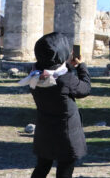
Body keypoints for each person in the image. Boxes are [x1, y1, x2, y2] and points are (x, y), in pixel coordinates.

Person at [21, 32, 91, 178]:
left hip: (45, 131)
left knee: (42, 167)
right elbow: (85, 89)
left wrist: (67, 66)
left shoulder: (35, 75)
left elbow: (53, 73)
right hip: (66, 134)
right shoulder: (66, 79)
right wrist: (81, 66)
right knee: (64, 170)